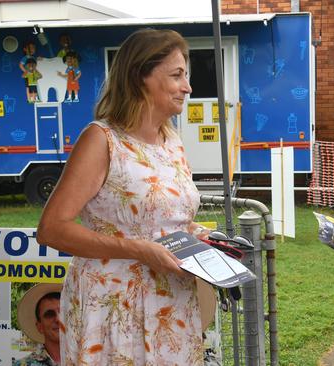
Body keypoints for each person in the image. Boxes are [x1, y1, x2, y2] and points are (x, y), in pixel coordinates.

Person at [36, 28, 211, 364]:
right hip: (113, 307)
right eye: (177, 75)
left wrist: (206, 240)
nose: (188, 87)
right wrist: (138, 250)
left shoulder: (171, 141)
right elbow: (52, 229)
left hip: (170, 303)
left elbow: (168, 220)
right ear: (139, 77)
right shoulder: (102, 140)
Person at [15, 283, 62, 366]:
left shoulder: (89, 361)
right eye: (49, 314)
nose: (58, 319)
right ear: (39, 326)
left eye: (64, 312)